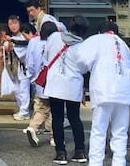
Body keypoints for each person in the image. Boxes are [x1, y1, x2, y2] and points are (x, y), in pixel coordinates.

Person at [76, 20, 130, 166]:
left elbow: (82, 60)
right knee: (120, 131)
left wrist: (89, 69)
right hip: (124, 91)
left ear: (100, 31)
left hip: (104, 89)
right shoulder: (124, 45)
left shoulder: (96, 40)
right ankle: (119, 162)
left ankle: (96, 163)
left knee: (99, 130)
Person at [43, 15, 88, 165]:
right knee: (75, 118)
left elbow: (46, 55)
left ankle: (61, 153)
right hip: (73, 85)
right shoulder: (82, 46)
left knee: (57, 119)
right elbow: (83, 68)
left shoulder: (55, 37)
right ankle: (80, 151)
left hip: (55, 84)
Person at [24, 21, 56, 147]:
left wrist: (33, 77)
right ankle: (55, 137)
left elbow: (29, 64)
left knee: (42, 108)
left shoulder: (33, 41)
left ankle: (33, 127)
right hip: (54, 82)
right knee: (55, 110)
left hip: (40, 81)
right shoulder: (56, 43)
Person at [1, 15, 33, 121]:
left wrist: (11, 41)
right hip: (13, 67)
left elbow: (25, 44)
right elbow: (7, 48)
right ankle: (21, 109)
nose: (13, 26)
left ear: (19, 23)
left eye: (15, 23)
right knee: (16, 89)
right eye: (10, 24)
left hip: (24, 67)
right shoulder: (9, 38)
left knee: (24, 90)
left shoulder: (24, 36)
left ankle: (25, 111)